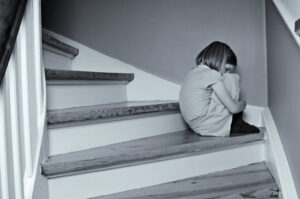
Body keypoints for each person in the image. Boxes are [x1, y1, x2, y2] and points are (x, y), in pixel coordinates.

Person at [179, 41, 259, 137]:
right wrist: (243, 104)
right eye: (226, 69)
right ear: (219, 61)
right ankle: (236, 124)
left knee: (221, 82)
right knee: (231, 77)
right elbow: (233, 108)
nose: (225, 72)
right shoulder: (212, 74)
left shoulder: (191, 72)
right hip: (209, 125)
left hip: (195, 126)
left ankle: (233, 122)